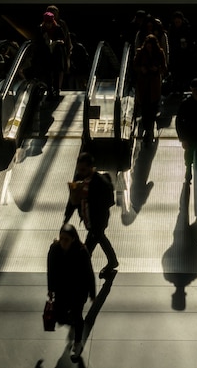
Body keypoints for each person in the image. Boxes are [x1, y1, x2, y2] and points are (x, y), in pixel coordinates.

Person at [64, 152, 118, 278]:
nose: (80, 172)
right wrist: (67, 217)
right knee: (101, 240)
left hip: (97, 222)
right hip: (88, 220)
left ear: (91, 167)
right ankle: (112, 261)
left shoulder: (101, 183)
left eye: (83, 169)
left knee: (88, 248)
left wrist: (89, 199)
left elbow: (108, 203)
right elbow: (72, 200)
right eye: (79, 169)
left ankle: (81, 272)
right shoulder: (79, 178)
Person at [47, 223, 96, 361]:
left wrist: (92, 293)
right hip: (62, 289)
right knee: (60, 316)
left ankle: (77, 342)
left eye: (66, 239)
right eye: (61, 238)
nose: (63, 242)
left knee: (77, 315)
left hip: (78, 291)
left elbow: (89, 273)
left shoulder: (81, 251)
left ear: (73, 239)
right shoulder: (54, 249)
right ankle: (73, 324)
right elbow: (50, 270)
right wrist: (51, 289)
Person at [133, 34, 168, 144]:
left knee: (152, 107)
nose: (149, 47)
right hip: (143, 83)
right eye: (148, 45)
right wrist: (141, 69)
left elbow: (164, 67)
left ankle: (150, 127)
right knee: (144, 107)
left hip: (154, 83)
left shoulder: (159, 52)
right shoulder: (140, 52)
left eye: (151, 45)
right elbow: (135, 65)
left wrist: (157, 69)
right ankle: (147, 127)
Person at [34, 11, 68, 100]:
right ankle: (49, 90)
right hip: (45, 54)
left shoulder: (58, 28)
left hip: (56, 53)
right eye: (47, 23)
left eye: (50, 23)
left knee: (56, 72)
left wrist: (57, 42)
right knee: (47, 73)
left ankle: (56, 90)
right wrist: (44, 40)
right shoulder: (40, 29)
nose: (48, 25)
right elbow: (37, 41)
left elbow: (63, 39)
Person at [167, 11, 196, 95]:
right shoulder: (171, 29)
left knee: (184, 73)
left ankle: (183, 88)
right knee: (175, 73)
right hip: (175, 55)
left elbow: (191, 41)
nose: (177, 24)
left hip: (185, 55)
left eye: (178, 22)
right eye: (176, 22)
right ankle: (176, 88)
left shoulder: (187, 28)